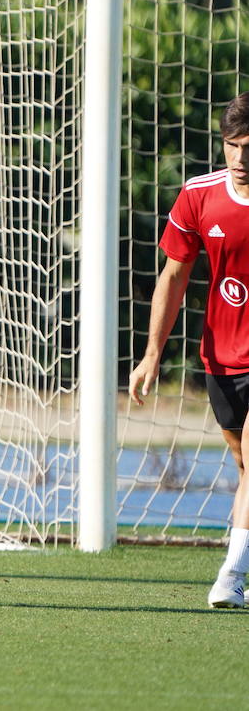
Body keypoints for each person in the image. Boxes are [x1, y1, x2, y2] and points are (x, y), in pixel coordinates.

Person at [131, 90, 249, 608]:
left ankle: (230, 576)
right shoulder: (199, 196)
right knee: (245, 468)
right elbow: (174, 276)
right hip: (222, 357)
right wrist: (152, 353)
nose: (241, 158)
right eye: (232, 145)